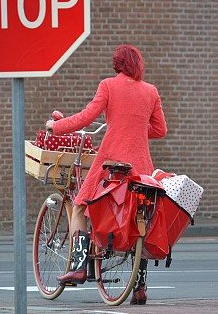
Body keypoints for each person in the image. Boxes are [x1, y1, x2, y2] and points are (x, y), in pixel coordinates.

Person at [45, 44, 167, 305]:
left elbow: (86, 117)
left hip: (110, 163)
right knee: (140, 219)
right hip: (141, 166)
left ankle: (78, 266)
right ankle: (140, 287)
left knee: (80, 206)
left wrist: (55, 127)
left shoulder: (108, 85)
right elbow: (160, 130)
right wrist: (131, 129)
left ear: (117, 65)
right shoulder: (151, 91)